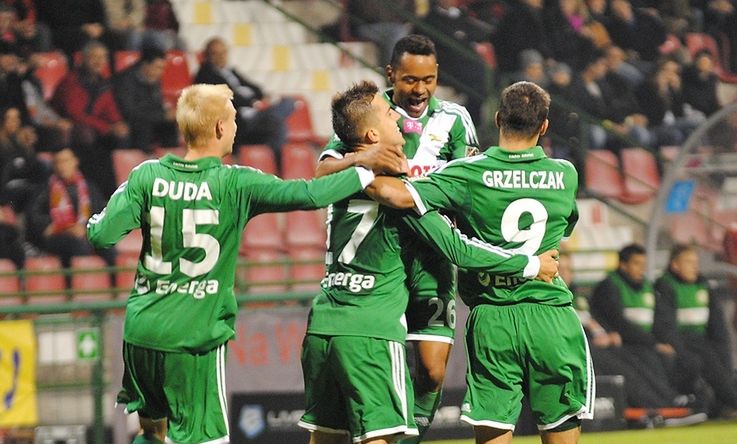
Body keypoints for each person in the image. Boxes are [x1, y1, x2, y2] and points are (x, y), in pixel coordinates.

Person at [86, 83, 407, 444]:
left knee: (152, 432)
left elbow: (101, 234)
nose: (237, 127)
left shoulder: (146, 175)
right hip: (191, 339)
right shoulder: (235, 183)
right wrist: (365, 168)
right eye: (234, 120)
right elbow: (310, 194)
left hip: (140, 332)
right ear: (220, 127)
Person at [300, 80, 560, 444]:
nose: (399, 118)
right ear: (372, 134)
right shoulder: (397, 191)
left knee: (327, 435)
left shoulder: (341, 175)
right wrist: (530, 265)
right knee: (380, 434)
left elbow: (317, 176)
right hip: (371, 330)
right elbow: (458, 249)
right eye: (389, 114)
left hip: (322, 323)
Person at [369, 81, 592, 444]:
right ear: (544, 126)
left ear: (498, 118)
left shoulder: (468, 173)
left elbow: (402, 197)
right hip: (551, 314)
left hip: (493, 317)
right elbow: (564, 226)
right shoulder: (566, 174)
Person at [316, 34, 478, 443]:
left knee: (433, 371)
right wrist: (365, 158)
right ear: (391, 74)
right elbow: (323, 171)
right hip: (380, 258)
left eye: (428, 79)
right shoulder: (371, 113)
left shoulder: (455, 119)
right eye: (410, 79)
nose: (420, 89)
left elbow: (470, 187)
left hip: (432, 258)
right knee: (382, 364)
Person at [653, 244, 737, 419]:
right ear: (675, 265)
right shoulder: (665, 286)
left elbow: (717, 324)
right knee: (704, 361)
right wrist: (680, 349)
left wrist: (722, 349)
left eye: (696, 262)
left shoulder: (704, 285)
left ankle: (726, 405)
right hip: (682, 341)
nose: (694, 266)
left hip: (701, 340)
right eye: (688, 262)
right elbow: (665, 325)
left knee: (718, 361)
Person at [590, 244, 702, 403]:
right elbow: (620, 324)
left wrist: (665, 342)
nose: (641, 269)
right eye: (636, 264)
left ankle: (682, 399)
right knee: (649, 360)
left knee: (687, 359)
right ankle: (666, 402)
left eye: (644, 264)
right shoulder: (609, 287)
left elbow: (658, 321)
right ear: (623, 265)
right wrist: (654, 343)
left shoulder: (647, 287)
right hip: (627, 343)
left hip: (645, 342)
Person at [193, 37, 294, 161]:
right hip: (241, 118)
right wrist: (253, 103)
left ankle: (271, 121)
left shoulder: (230, 71)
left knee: (288, 103)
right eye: (215, 54)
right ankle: (273, 164)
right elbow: (227, 97)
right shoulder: (205, 74)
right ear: (207, 55)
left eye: (223, 53)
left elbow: (255, 87)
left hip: (256, 111)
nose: (221, 57)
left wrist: (263, 97)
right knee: (277, 126)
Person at [51, 40, 130, 198]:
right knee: (88, 138)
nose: (99, 61)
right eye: (94, 57)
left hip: (94, 131)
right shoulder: (72, 81)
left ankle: (112, 193)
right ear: (84, 59)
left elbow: (110, 109)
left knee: (119, 138)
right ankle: (95, 193)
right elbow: (75, 114)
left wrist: (118, 124)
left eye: (102, 57)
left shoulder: (103, 83)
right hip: (71, 130)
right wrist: (107, 128)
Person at [27, 146, 113, 269]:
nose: (61, 166)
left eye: (65, 161)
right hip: (58, 236)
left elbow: (100, 213)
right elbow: (35, 216)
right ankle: (76, 280)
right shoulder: (45, 189)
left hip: (85, 233)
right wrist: (64, 228)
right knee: (78, 246)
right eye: (57, 162)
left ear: (75, 161)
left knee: (108, 247)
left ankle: (113, 281)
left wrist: (84, 228)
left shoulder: (89, 188)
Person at [112, 44, 178, 152]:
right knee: (143, 127)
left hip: (150, 118)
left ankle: (171, 158)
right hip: (129, 121)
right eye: (158, 67)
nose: (161, 72)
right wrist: (162, 115)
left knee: (171, 125)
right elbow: (129, 111)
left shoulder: (154, 78)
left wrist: (167, 113)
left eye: (162, 68)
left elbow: (157, 104)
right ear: (145, 64)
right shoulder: (125, 80)